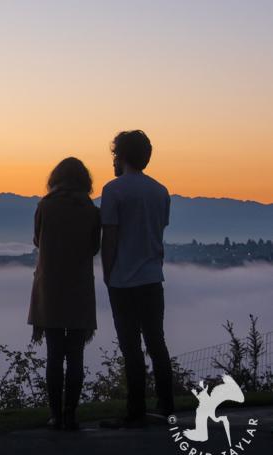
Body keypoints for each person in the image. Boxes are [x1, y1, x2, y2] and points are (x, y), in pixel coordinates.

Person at [98, 130, 174, 429]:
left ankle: (135, 410)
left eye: (115, 154)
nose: (113, 159)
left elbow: (110, 237)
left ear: (123, 156)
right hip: (153, 277)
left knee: (130, 346)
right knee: (157, 343)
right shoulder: (160, 191)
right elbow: (158, 231)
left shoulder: (113, 190)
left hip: (123, 280)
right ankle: (166, 406)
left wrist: (107, 273)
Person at [27, 157, 100, 431]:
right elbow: (94, 247)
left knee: (54, 354)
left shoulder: (44, 206)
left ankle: (55, 414)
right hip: (79, 286)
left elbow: (37, 240)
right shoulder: (92, 210)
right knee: (76, 356)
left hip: (50, 288)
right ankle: (71, 413)